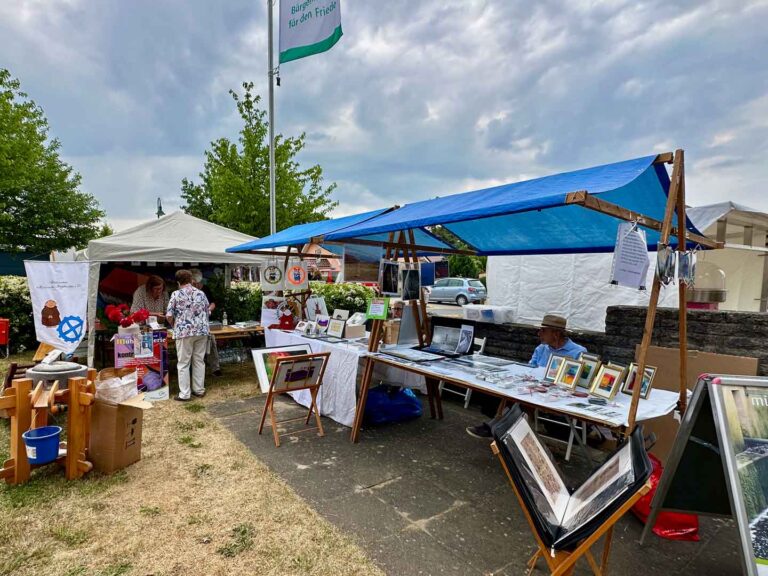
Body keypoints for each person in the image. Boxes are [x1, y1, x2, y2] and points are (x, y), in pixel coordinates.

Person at [465, 314, 587, 439]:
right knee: (510, 392)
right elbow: (530, 369)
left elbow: (582, 384)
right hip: (536, 389)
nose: (539, 334)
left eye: (543, 331)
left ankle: (494, 428)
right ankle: (497, 428)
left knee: (522, 399)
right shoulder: (542, 348)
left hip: (559, 394)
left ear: (556, 334)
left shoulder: (578, 352)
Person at [166, 269, 210, 401]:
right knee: (199, 360)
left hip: (184, 332)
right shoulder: (201, 293)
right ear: (191, 280)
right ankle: (199, 390)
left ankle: (185, 394)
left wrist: (174, 324)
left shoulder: (176, 294)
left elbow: (169, 315)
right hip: (201, 331)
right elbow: (208, 311)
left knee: (183, 363)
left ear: (178, 282)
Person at [190, 268, 222, 377]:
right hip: (191, 326)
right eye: (195, 283)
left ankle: (215, 368)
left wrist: (209, 309)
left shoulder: (205, 289)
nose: (197, 285)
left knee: (212, 342)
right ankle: (193, 370)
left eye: (199, 282)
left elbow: (212, 302)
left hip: (205, 322)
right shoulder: (185, 292)